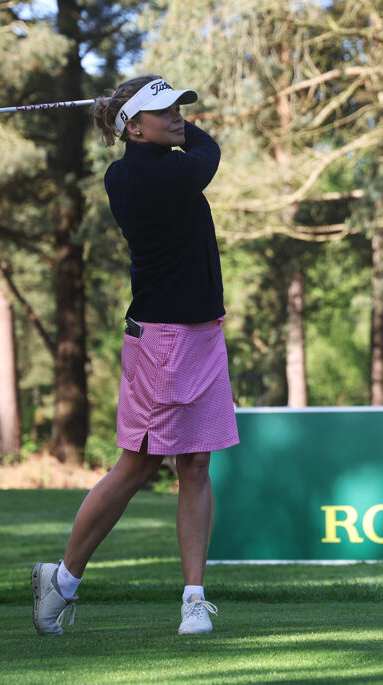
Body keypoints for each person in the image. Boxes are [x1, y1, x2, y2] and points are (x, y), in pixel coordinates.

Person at [32, 75, 239, 637]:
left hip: (201, 332)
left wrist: (146, 113)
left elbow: (187, 144)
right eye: (163, 111)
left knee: (196, 463)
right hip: (163, 340)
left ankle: (194, 600)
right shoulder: (143, 174)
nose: (177, 117)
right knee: (139, 465)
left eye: (178, 107)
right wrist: (167, 126)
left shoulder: (154, 160)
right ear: (132, 126)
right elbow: (208, 150)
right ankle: (63, 580)